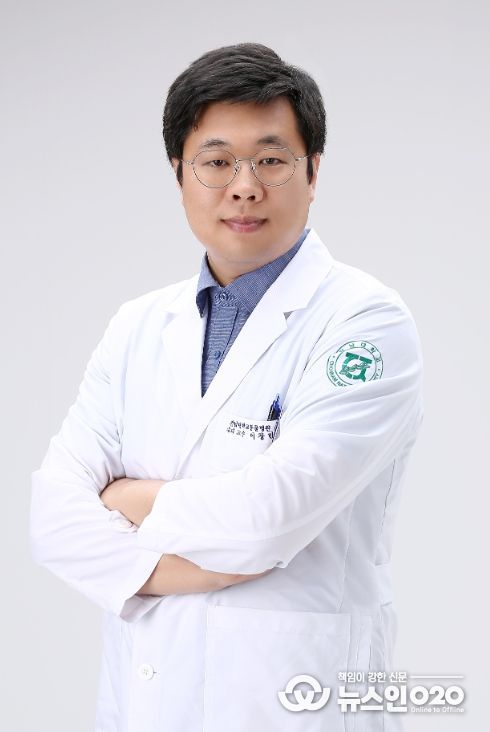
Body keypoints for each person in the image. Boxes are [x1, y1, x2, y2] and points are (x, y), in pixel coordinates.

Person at [30, 43, 424, 732]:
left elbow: (270, 517)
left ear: (313, 171)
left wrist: (127, 500)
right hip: (147, 702)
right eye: (216, 162)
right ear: (179, 173)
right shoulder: (137, 326)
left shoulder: (364, 323)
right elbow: (54, 521)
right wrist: (198, 570)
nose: (244, 187)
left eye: (271, 160)